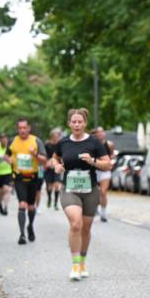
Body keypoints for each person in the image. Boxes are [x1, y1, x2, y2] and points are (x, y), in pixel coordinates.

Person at [51, 109, 112, 280]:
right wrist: (57, 165)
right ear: (69, 123)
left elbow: (108, 165)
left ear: (85, 123)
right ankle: (75, 265)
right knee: (75, 224)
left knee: (85, 228)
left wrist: (92, 161)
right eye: (74, 122)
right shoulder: (63, 142)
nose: (77, 125)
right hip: (70, 189)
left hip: (90, 190)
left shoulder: (94, 143)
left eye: (80, 122)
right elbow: (54, 158)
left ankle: (83, 262)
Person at [3, 118, 47, 245]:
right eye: (20, 128)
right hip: (19, 177)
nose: (22, 130)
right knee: (22, 204)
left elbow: (44, 160)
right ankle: (22, 234)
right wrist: (8, 160)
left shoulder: (36, 141)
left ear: (29, 128)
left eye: (24, 128)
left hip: (33, 177)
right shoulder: (13, 141)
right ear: (18, 129)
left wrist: (35, 155)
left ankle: (30, 226)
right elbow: (7, 154)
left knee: (31, 206)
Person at [93, 127, 116, 221]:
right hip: (94, 170)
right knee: (95, 193)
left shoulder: (109, 144)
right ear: (96, 134)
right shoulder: (92, 144)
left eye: (102, 132)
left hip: (105, 171)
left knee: (103, 192)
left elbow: (112, 155)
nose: (101, 134)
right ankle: (95, 208)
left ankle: (103, 213)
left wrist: (111, 160)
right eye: (99, 132)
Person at [43, 128, 63, 210]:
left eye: (57, 136)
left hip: (56, 167)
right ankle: (49, 198)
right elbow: (44, 155)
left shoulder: (60, 145)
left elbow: (62, 155)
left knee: (57, 186)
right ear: (52, 136)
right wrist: (48, 163)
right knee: (49, 187)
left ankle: (55, 203)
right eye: (55, 136)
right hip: (48, 167)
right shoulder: (47, 145)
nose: (56, 137)